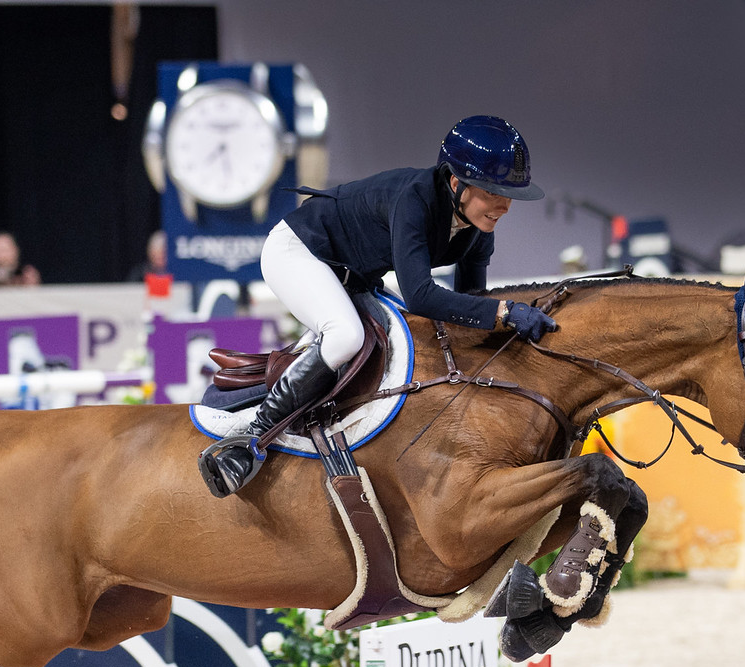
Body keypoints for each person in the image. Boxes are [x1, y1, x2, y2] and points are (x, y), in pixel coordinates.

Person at [196, 114, 553, 499]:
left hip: (351, 276)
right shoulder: (414, 199)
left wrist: (503, 327)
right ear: (456, 183)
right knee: (346, 337)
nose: (504, 206)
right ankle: (248, 442)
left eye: (509, 196)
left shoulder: (477, 230)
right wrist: (504, 313)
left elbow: (470, 306)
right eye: (492, 193)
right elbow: (420, 295)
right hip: (297, 251)